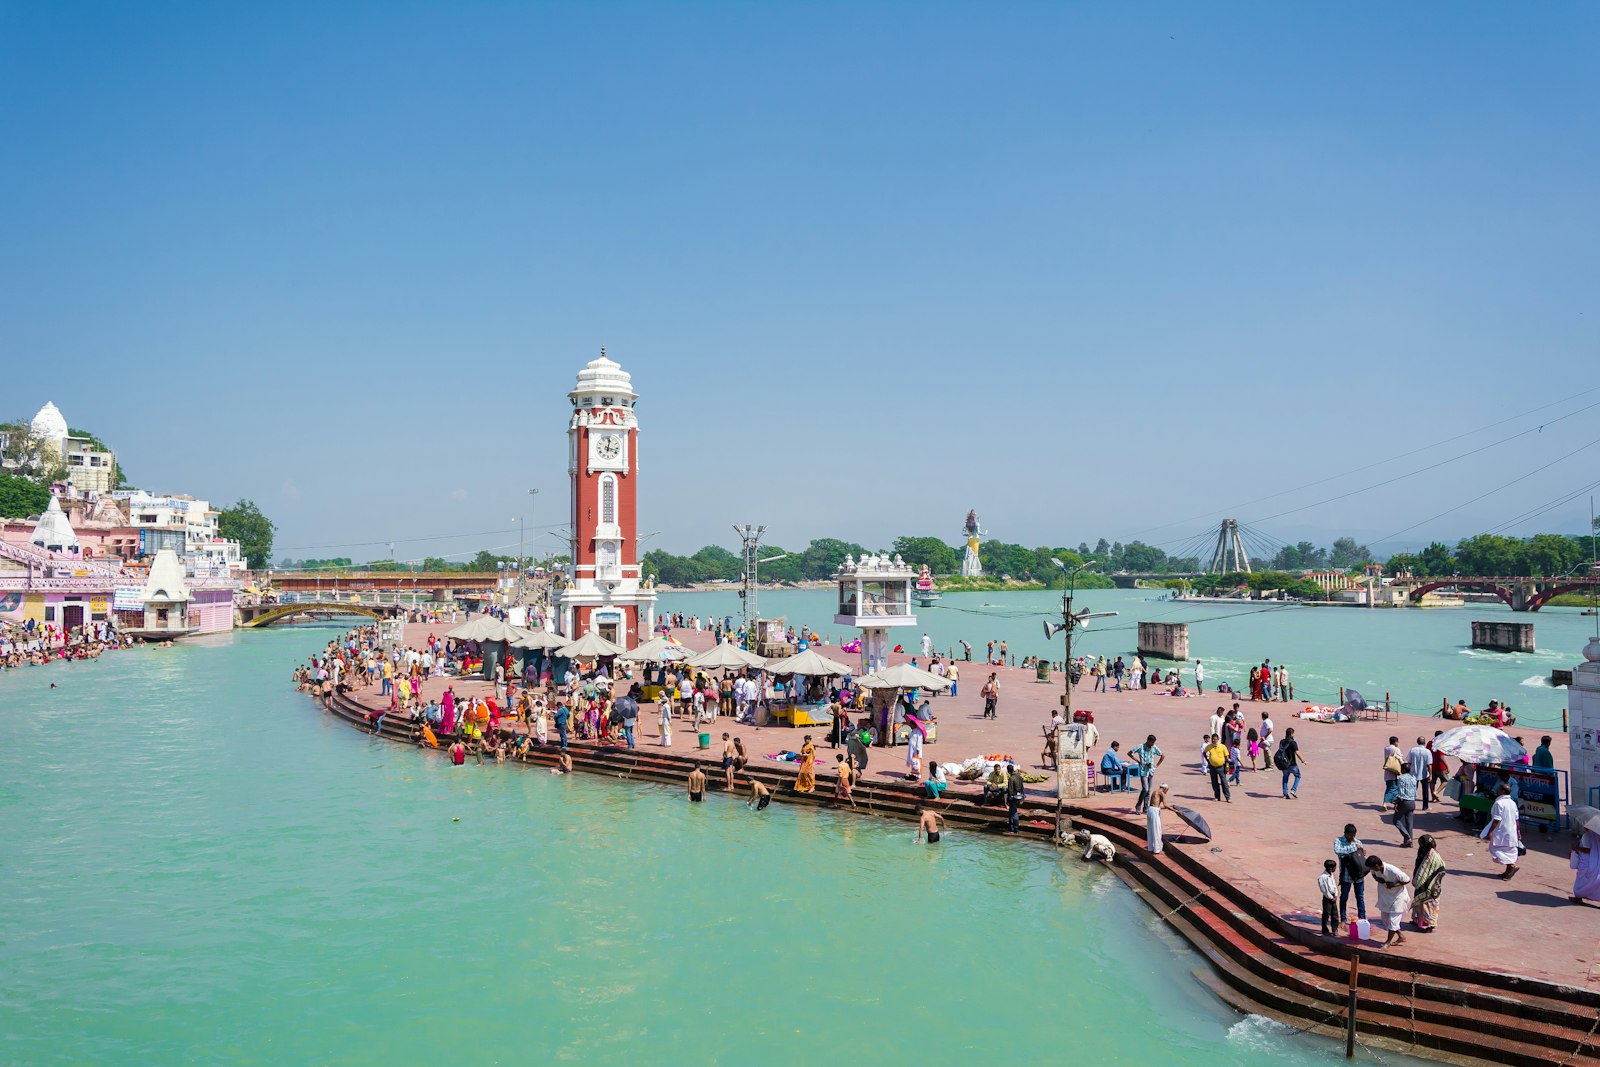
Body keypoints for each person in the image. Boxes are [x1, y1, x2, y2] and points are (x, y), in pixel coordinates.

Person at [1365, 855, 1412, 947]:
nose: (1371, 869)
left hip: (1398, 897)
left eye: (1372, 867)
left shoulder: (1393, 870)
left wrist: (1394, 884)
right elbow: (1373, 874)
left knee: (1393, 921)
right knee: (1385, 919)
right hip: (1386, 897)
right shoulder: (1374, 870)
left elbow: (1407, 880)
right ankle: (1400, 936)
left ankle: (1387, 942)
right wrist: (1377, 879)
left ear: (1377, 865)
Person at [1481, 783, 1522, 879]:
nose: (1497, 791)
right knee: (1508, 850)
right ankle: (1508, 871)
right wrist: (1518, 831)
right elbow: (1517, 819)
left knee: (1495, 849)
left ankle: (1511, 866)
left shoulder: (1499, 803)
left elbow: (1496, 819)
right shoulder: (1512, 803)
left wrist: (1490, 832)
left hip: (1501, 831)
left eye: (1499, 789)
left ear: (1502, 791)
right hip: (1511, 831)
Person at [1335, 824, 1367, 923]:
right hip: (1346, 875)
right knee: (1344, 897)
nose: (1352, 837)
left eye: (1354, 835)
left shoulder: (1358, 842)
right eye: (1350, 835)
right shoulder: (1338, 841)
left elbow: (1362, 855)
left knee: (1360, 897)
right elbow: (1338, 851)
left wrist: (1362, 851)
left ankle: (1362, 918)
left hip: (1358, 875)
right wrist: (1354, 848)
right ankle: (1343, 918)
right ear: (1345, 834)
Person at [1412, 835, 1445, 930]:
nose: (1420, 845)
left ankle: (1430, 925)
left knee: (1429, 905)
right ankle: (1418, 921)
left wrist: (1428, 880)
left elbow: (1441, 868)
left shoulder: (1433, 856)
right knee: (1420, 904)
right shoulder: (1422, 852)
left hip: (1430, 884)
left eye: (1422, 844)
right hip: (1421, 882)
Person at [1130, 735, 1164, 814]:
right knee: (1145, 789)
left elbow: (1162, 755)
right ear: (1148, 740)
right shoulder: (1140, 747)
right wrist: (1138, 761)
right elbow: (1130, 753)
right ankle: (1138, 805)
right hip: (1143, 771)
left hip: (1151, 771)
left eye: (1154, 743)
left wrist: (1156, 765)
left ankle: (1145, 807)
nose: (1152, 744)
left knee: (1148, 791)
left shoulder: (1154, 747)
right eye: (1152, 742)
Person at [1392, 767, 1418, 847]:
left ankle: (1407, 837)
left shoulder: (1401, 778)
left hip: (1404, 802)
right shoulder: (1413, 778)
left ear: (1403, 770)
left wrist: (1396, 803)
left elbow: (1401, 793)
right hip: (1412, 802)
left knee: (1396, 820)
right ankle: (1409, 843)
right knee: (1409, 823)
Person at [1406, 736, 1433, 810]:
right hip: (1424, 773)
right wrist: (1430, 775)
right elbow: (1429, 764)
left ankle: (1411, 806)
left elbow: (1408, 762)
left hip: (1413, 773)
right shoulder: (1427, 751)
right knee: (1425, 791)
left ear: (1417, 742)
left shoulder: (1413, 750)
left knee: (1413, 790)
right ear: (1424, 742)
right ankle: (1425, 806)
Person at [1277, 727, 1305, 798]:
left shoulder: (1281, 741)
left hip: (1283, 764)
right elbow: (1297, 753)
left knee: (1285, 777)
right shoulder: (1293, 743)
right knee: (1298, 775)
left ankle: (1285, 793)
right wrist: (1303, 761)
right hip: (1292, 764)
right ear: (1291, 734)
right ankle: (1293, 790)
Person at [1204, 733, 1231, 803]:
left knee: (1224, 783)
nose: (1214, 741)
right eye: (1213, 739)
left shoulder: (1222, 747)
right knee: (1214, 782)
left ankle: (1227, 797)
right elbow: (1204, 753)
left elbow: (1227, 757)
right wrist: (1208, 760)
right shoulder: (1209, 746)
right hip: (1212, 767)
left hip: (1221, 767)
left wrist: (1227, 765)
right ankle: (1217, 797)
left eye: (1215, 739)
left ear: (1218, 739)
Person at [1317, 859, 1340, 936]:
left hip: (1333, 897)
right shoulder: (1322, 877)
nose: (1335, 869)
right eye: (1334, 868)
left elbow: (1334, 886)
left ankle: (1335, 929)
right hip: (1328, 898)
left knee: (1335, 914)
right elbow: (1324, 890)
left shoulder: (1331, 875)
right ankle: (1325, 929)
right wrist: (1331, 897)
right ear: (1330, 868)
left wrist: (1336, 895)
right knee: (1326, 914)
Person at [1145, 785, 1170, 854]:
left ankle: (1150, 848)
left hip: (1150, 810)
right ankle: (1157, 849)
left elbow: (1155, 805)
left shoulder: (1155, 791)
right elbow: (1165, 805)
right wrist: (1176, 810)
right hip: (1154, 812)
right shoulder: (1161, 792)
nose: (1166, 793)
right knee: (1157, 831)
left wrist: (1169, 807)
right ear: (1164, 788)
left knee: (1150, 830)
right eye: (1166, 791)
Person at [1382, 736, 1403, 809]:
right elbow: (1400, 759)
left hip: (1388, 769)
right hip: (1394, 770)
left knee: (1391, 787)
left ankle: (1394, 804)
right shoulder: (1396, 749)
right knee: (1393, 788)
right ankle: (1385, 803)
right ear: (1395, 742)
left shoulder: (1386, 748)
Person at [1005, 761, 1025, 832]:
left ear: (1008, 771)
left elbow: (1010, 791)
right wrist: (1023, 798)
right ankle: (1011, 827)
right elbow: (1022, 787)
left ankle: (1016, 829)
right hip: (1019, 796)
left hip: (1013, 797)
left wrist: (1007, 800)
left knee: (1014, 813)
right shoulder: (1019, 776)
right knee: (1011, 812)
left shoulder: (1011, 779)